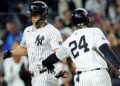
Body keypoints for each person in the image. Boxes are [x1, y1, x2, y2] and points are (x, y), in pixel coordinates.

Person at [42, 8, 120, 86]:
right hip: (98, 75)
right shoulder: (94, 31)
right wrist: (118, 66)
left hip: (81, 79)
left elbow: (54, 57)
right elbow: (106, 50)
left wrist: (43, 63)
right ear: (86, 19)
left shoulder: (68, 41)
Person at [3, 1, 63, 86]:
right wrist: (11, 53)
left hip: (46, 74)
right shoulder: (28, 30)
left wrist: (48, 62)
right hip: (35, 76)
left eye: (35, 14)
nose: (32, 17)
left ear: (43, 14)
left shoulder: (52, 31)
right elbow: (24, 48)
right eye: (31, 14)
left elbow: (59, 53)